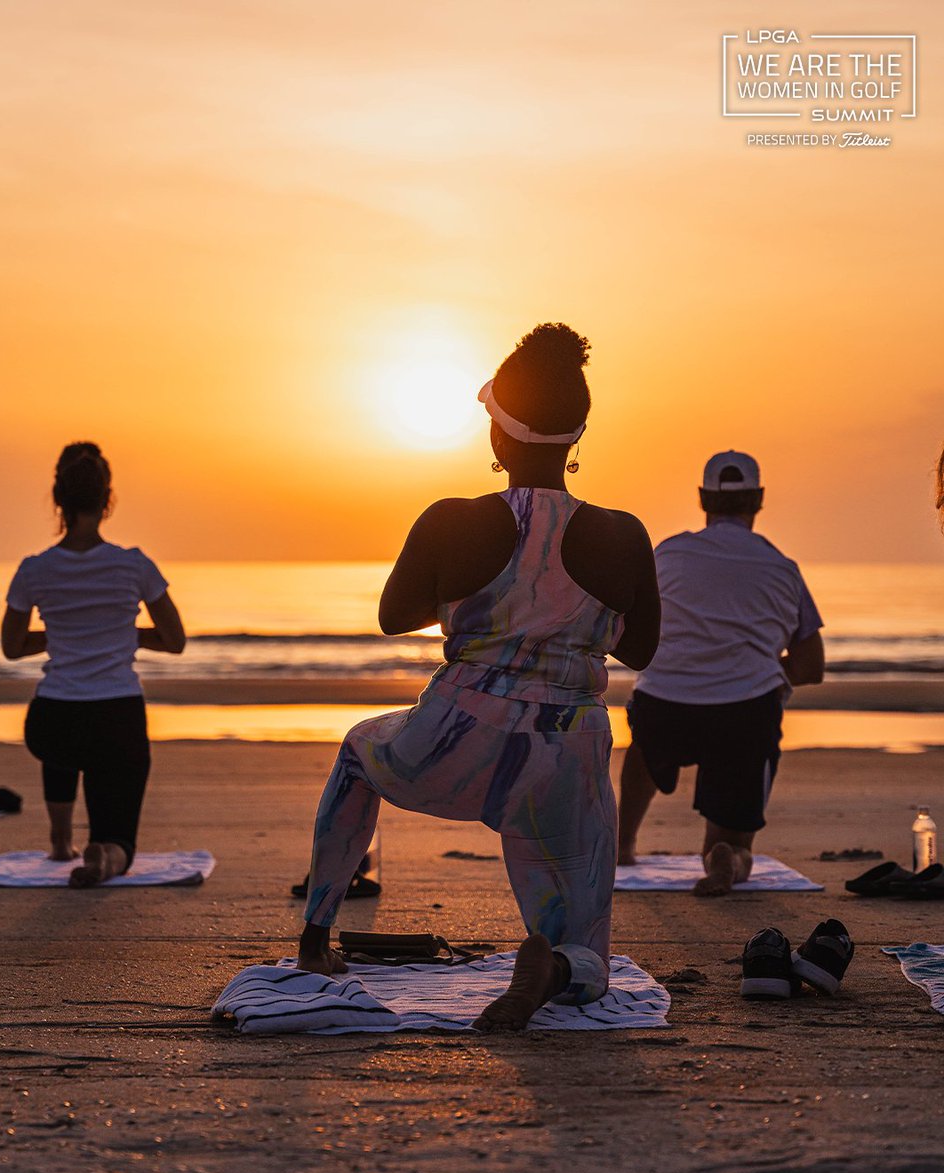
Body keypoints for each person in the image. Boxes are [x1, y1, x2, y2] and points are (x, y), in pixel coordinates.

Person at [296, 323, 660, 1030]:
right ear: (576, 438)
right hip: (567, 754)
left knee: (357, 754)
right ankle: (552, 967)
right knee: (588, 958)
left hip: (458, 736)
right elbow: (641, 652)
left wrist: (476, 606)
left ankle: (315, 939)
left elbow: (393, 617)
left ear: (498, 436)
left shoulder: (450, 520)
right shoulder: (625, 534)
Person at [617, 450, 824, 896]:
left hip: (665, 707)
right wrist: (759, 663)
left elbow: (629, 630)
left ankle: (622, 844)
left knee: (644, 744)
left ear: (702, 498)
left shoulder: (668, 554)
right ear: (759, 499)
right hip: (746, 710)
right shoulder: (782, 568)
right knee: (732, 835)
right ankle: (726, 856)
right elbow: (811, 666)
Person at [1, 443, 186, 886]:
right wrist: (120, 630)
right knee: (117, 832)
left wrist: (67, 632)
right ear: (107, 502)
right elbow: (174, 640)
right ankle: (106, 853)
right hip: (116, 718)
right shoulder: (133, 565)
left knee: (68, 724)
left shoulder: (34, 569)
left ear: (58, 502)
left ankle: (61, 839)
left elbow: (11, 646)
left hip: (51, 724)